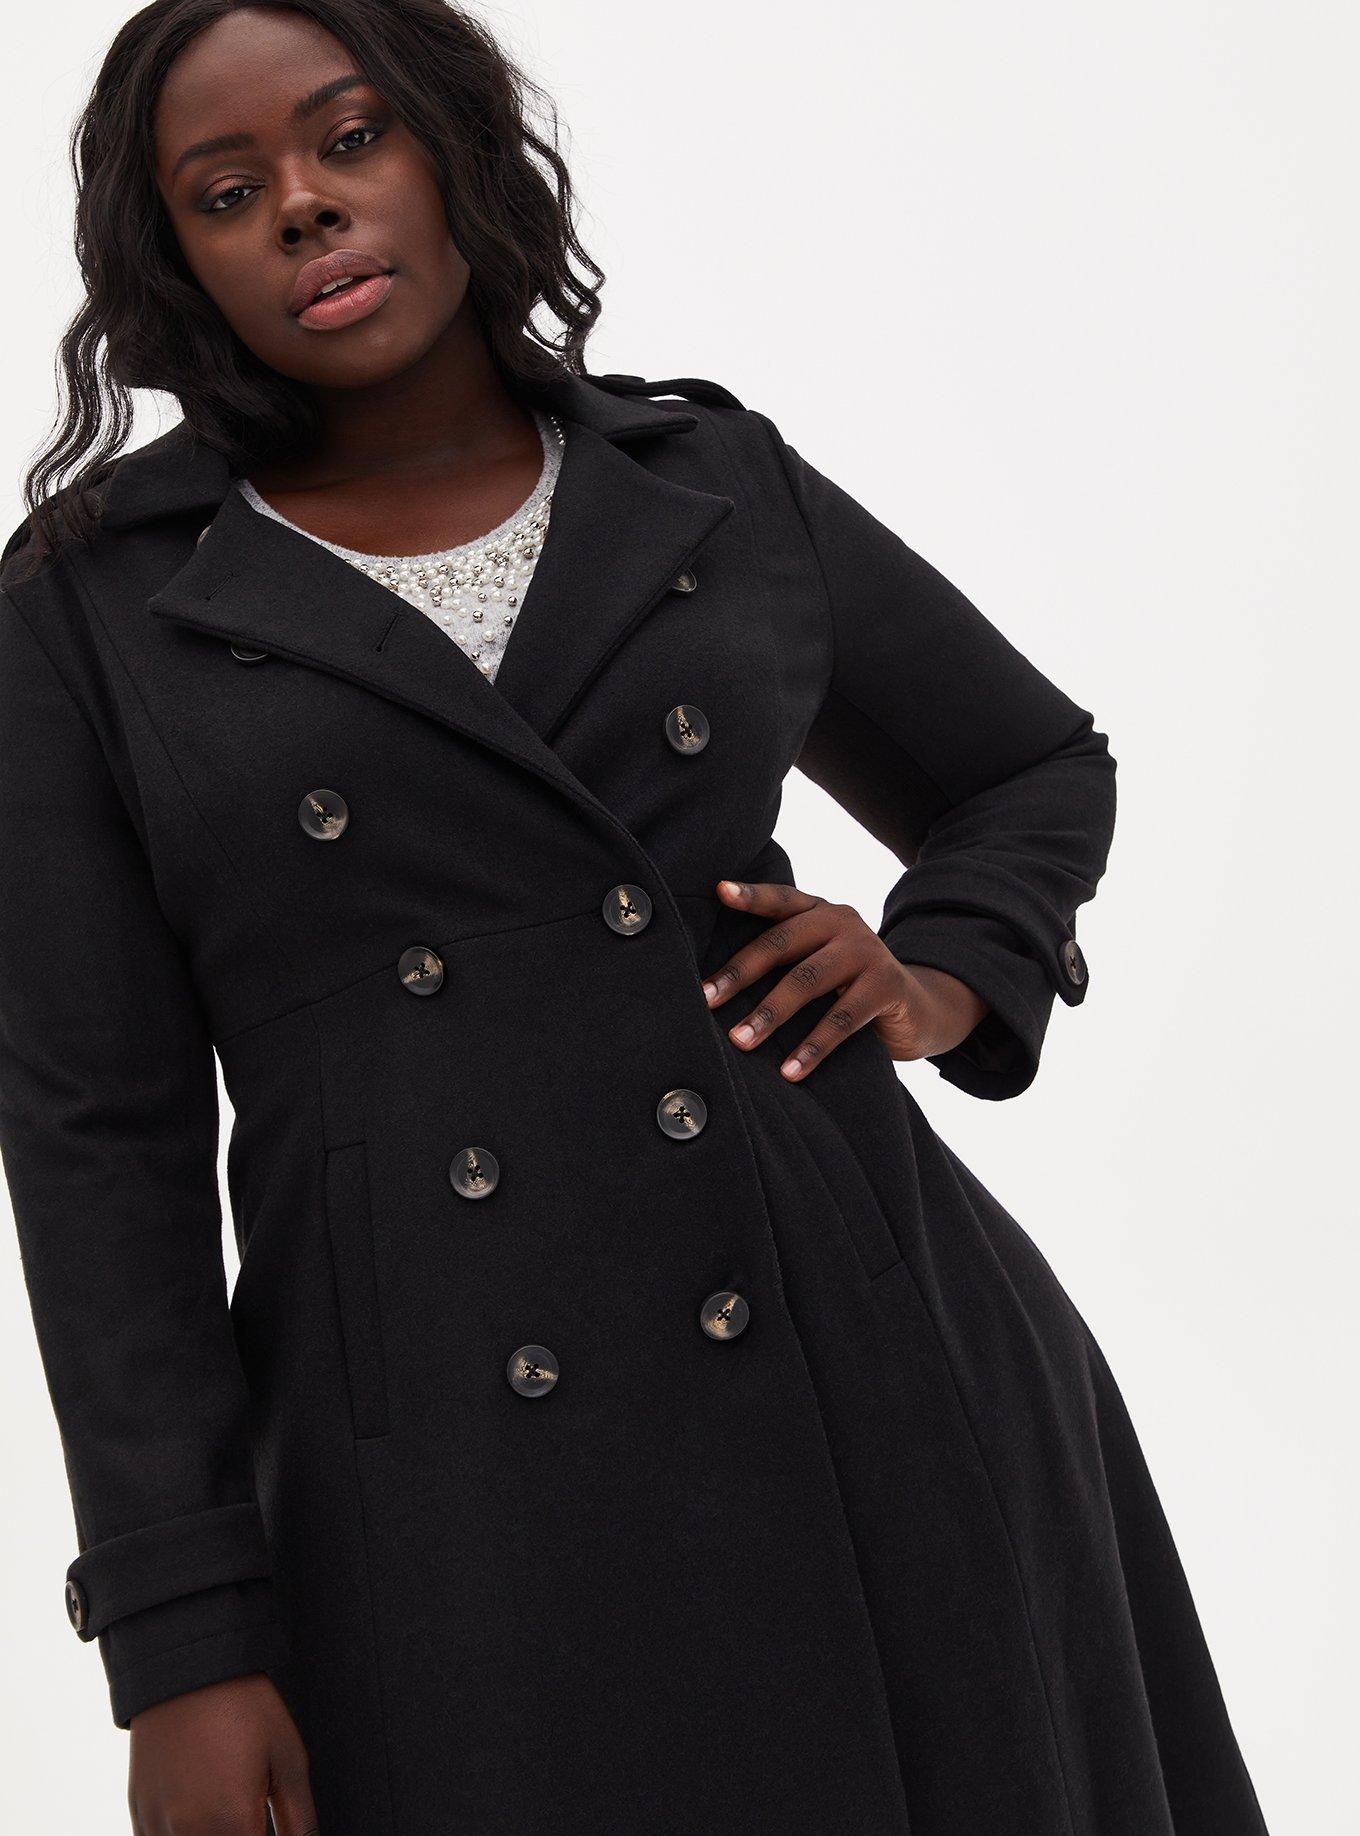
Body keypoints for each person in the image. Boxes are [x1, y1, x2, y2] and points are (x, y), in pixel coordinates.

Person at [0, 3, 1270, 1832]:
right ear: (175, 261)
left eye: (349, 139)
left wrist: (940, 974)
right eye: (225, 190)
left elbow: (1028, 765)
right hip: (438, 1472)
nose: (303, 205)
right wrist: (180, 1638)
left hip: (873, 1370)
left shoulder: (705, 479)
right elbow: (96, 1144)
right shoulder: (94, 609)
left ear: (450, 148)